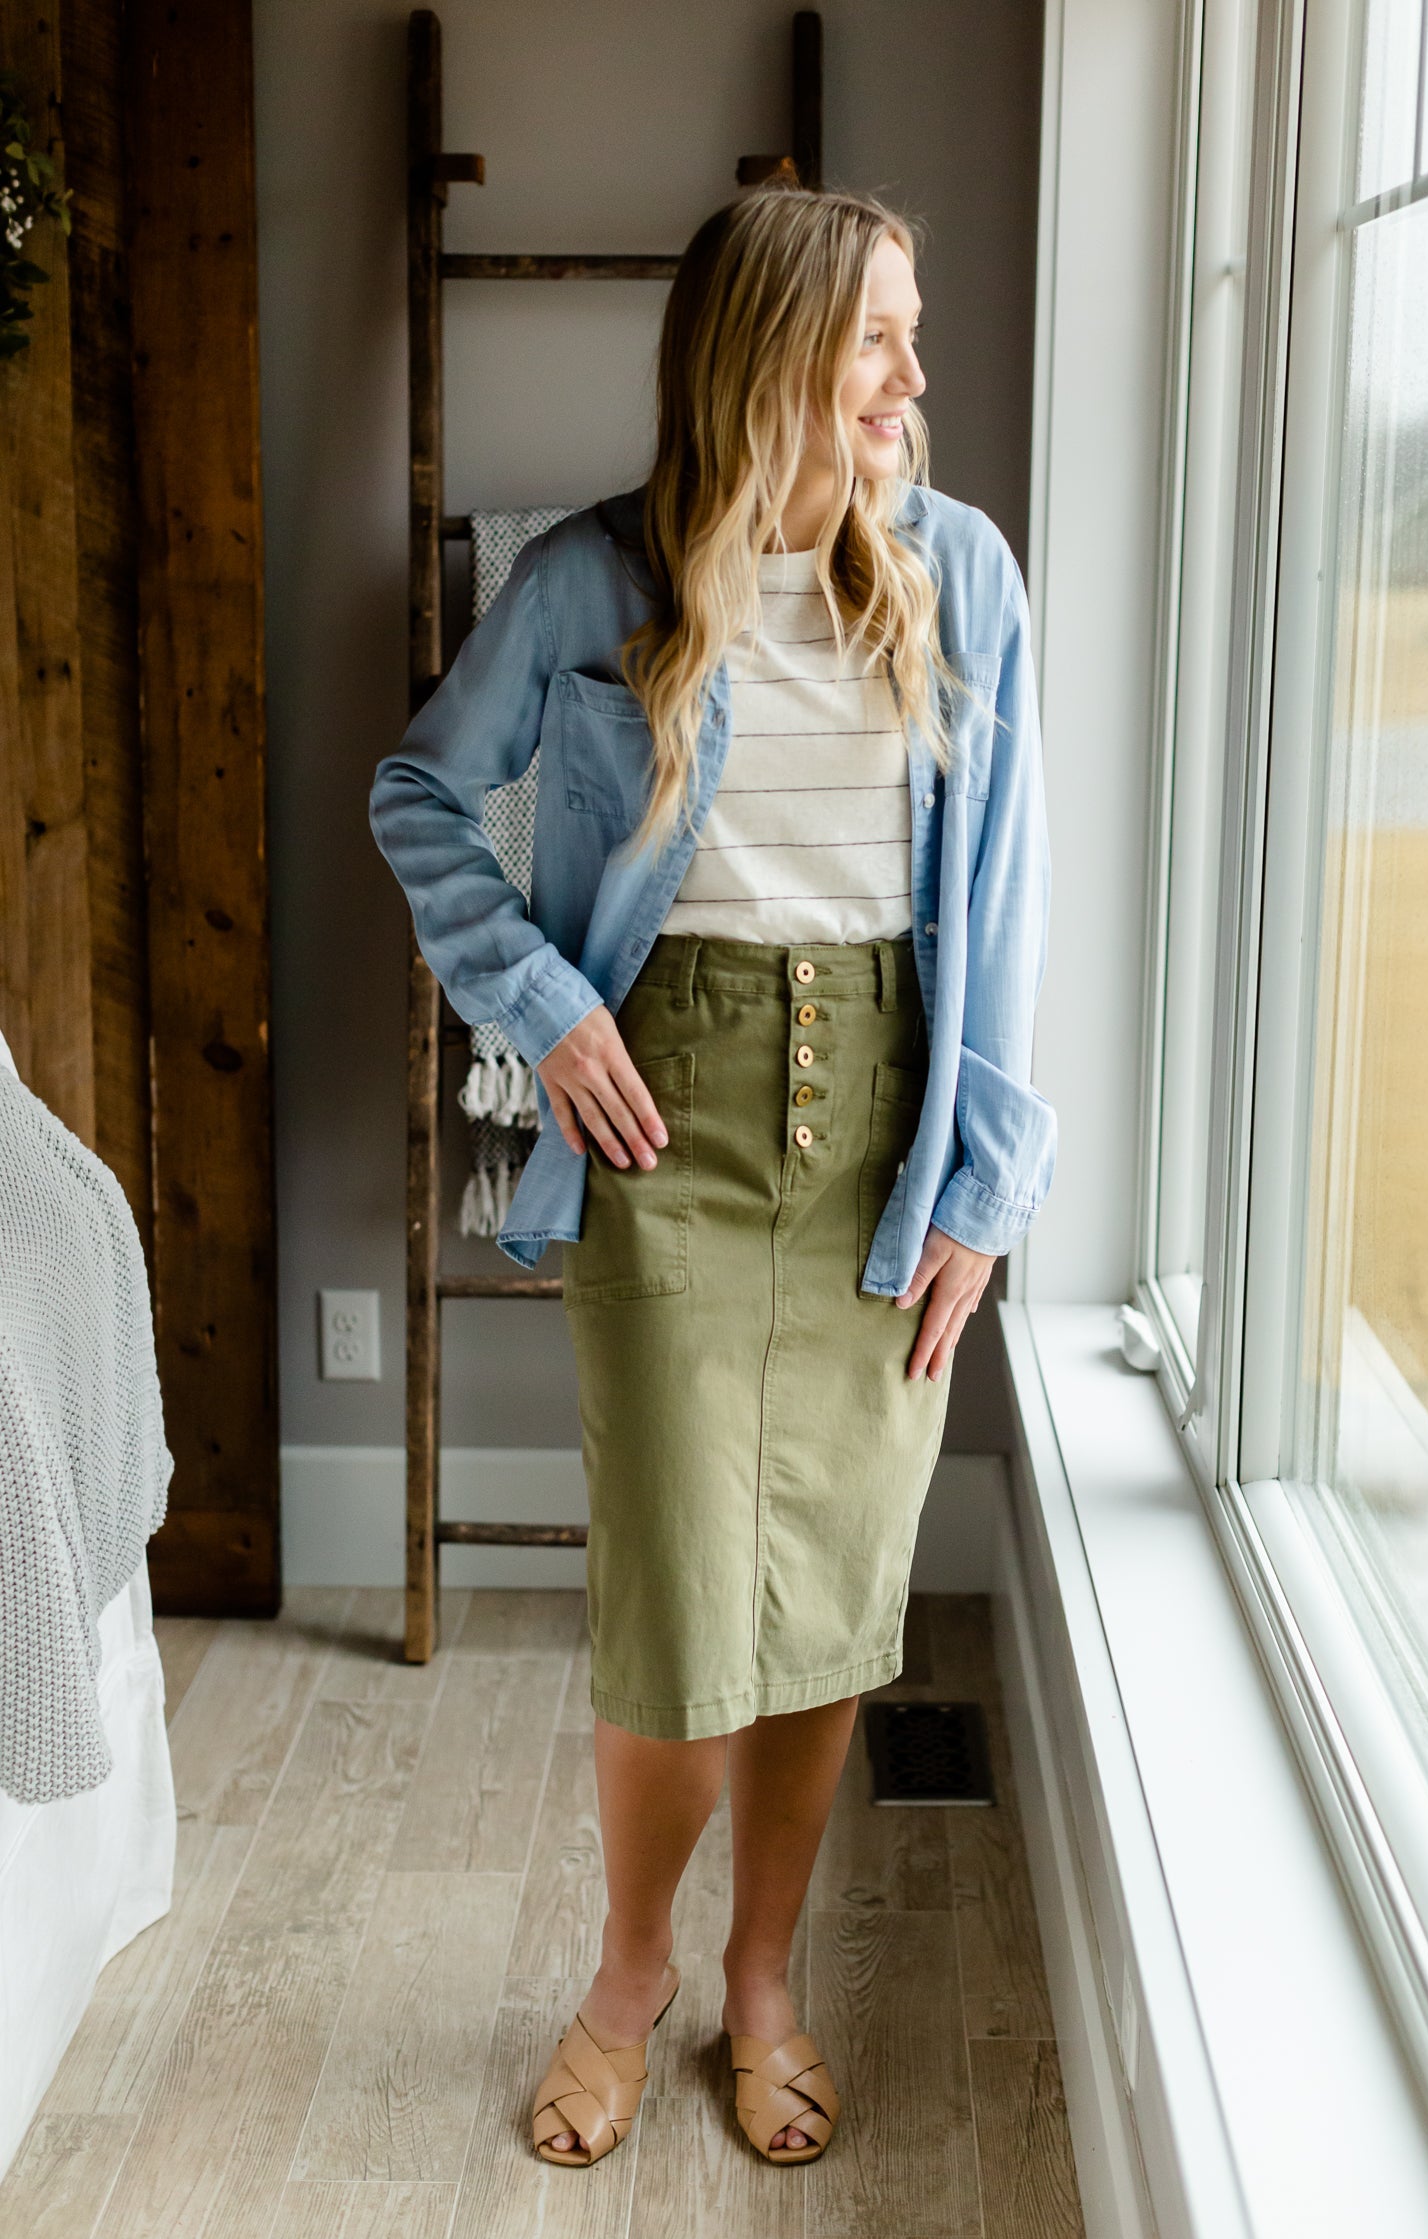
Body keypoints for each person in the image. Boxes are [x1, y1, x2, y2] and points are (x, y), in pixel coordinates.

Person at [369, 183, 1056, 2170]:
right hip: (664, 1130)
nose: (915, 383)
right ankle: (628, 1968)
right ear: (772, 358)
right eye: (876, 344)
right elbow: (419, 789)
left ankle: (764, 1975)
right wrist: (539, 1002)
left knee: (833, 1603)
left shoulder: (969, 576)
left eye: (912, 341)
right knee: (678, 1607)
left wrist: (984, 1190)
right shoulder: (598, 581)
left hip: (888, 1144)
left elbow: (1008, 898)